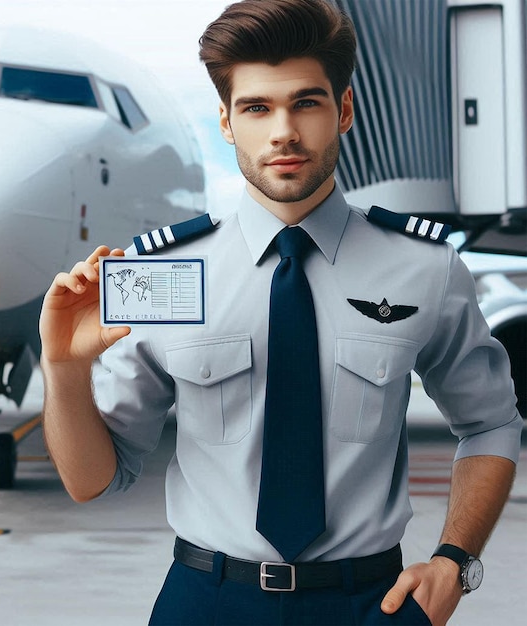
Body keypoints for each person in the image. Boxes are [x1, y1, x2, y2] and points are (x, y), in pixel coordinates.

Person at [39, 1, 522, 624]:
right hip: (205, 599)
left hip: (371, 602)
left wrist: (457, 560)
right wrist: (63, 367)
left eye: (307, 103)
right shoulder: (160, 274)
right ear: (225, 122)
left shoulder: (424, 267)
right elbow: (93, 481)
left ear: (343, 111)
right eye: (256, 108)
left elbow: (490, 422)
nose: (283, 132)